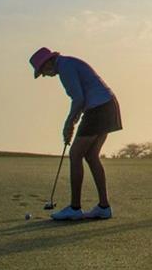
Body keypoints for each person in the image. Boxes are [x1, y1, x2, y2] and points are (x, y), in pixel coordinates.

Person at [30, 47, 122, 220]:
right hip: (108, 105)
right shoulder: (68, 63)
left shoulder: (65, 68)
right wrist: (73, 121)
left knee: (75, 154)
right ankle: (104, 206)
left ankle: (75, 208)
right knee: (91, 155)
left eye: (42, 72)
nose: (45, 75)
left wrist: (68, 123)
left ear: (47, 63)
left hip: (99, 108)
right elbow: (81, 99)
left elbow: (78, 99)